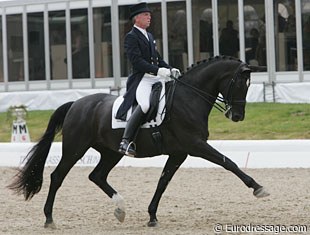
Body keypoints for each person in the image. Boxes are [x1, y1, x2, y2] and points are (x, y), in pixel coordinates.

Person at [116, 2, 181, 157]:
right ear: (136, 18)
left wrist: (170, 68)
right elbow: (137, 62)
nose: (149, 17)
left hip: (155, 78)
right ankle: (126, 141)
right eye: (146, 15)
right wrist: (159, 70)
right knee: (145, 105)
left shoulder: (149, 36)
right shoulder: (131, 37)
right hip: (142, 80)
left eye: (149, 15)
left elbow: (157, 58)